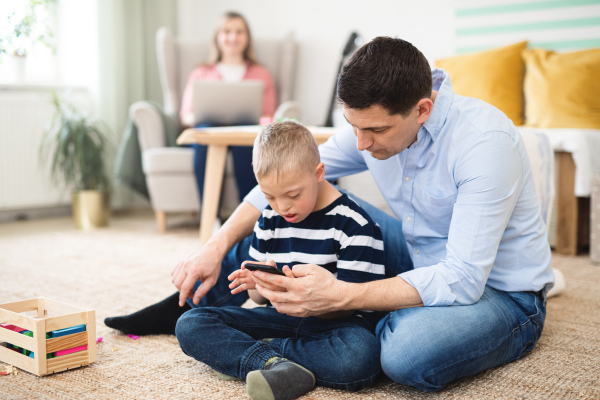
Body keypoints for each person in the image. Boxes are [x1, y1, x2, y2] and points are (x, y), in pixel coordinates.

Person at [107, 36, 554, 391]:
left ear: (423, 110)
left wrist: (343, 296)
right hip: (420, 254)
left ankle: (339, 330)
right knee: (291, 204)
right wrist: (215, 244)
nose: (361, 145)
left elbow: (462, 277)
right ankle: (197, 297)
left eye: (375, 130)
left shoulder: (484, 144)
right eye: (354, 127)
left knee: (405, 358)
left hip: (498, 291)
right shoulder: (372, 122)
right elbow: (287, 182)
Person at [175, 120, 386, 400]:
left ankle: (254, 353)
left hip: (336, 328)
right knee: (191, 324)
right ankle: (274, 365)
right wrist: (260, 284)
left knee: (360, 358)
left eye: (293, 195)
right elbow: (258, 299)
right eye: (269, 196)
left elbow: (349, 305)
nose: (282, 207)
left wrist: (298, 291)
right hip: (282, 318)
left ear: (319, 173)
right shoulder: (269, 219)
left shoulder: (355, 224)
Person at [181, 11, 277, 205]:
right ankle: (211, 217)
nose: (233, 37)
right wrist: (202, 116)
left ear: (247, 38)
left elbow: (269, 115)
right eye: (227, 31)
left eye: (239, 32)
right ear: (217, 37)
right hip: (209, 132)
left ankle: (249, 215)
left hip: (245, 132)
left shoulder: (261, 73)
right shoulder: (201, 72)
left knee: (244, 143)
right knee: (206, 133)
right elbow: (186, 115)